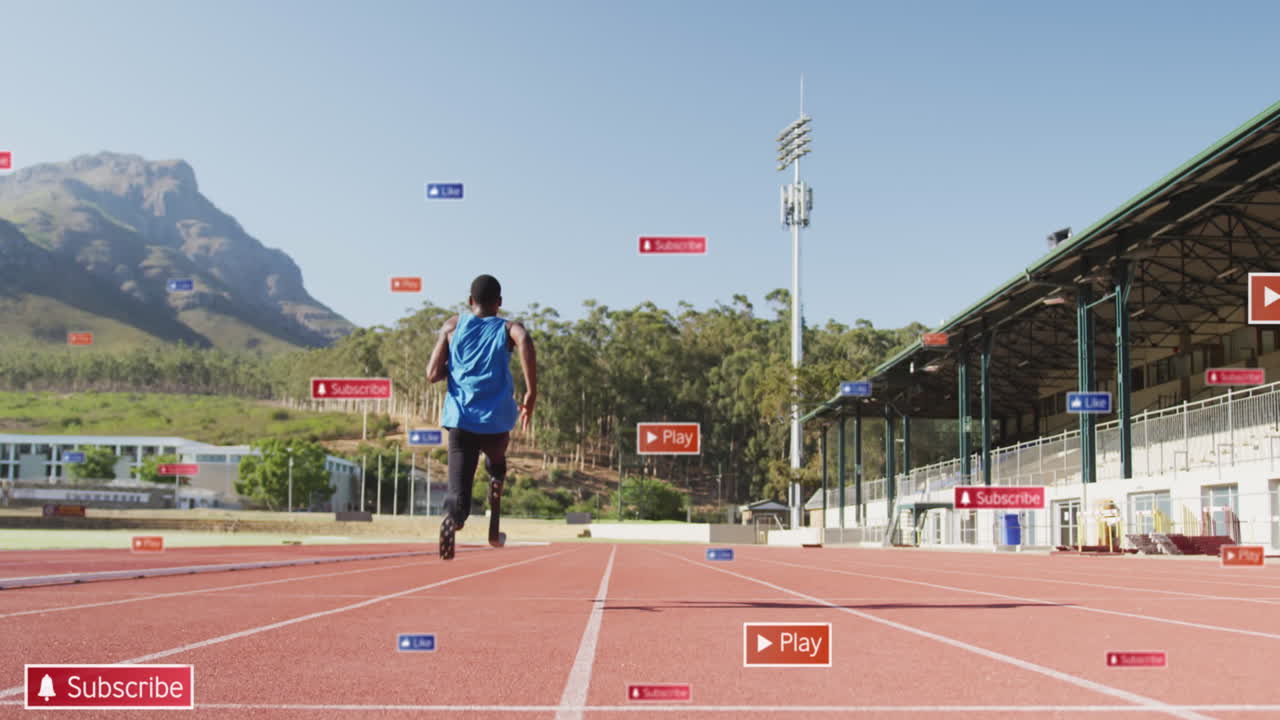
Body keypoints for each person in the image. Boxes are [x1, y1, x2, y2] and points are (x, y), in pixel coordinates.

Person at [426, 274, 537, 560]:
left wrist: (458, 368)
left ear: (470, 301)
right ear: (499, 303)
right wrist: (531, 392)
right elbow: (523, 338)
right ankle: (496, 476)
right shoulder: (507, 328)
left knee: (457, 489)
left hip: (460, 421)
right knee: (497, 458)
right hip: (496, 422)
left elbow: (431, 374)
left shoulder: (452, 326)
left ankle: (453, 519)